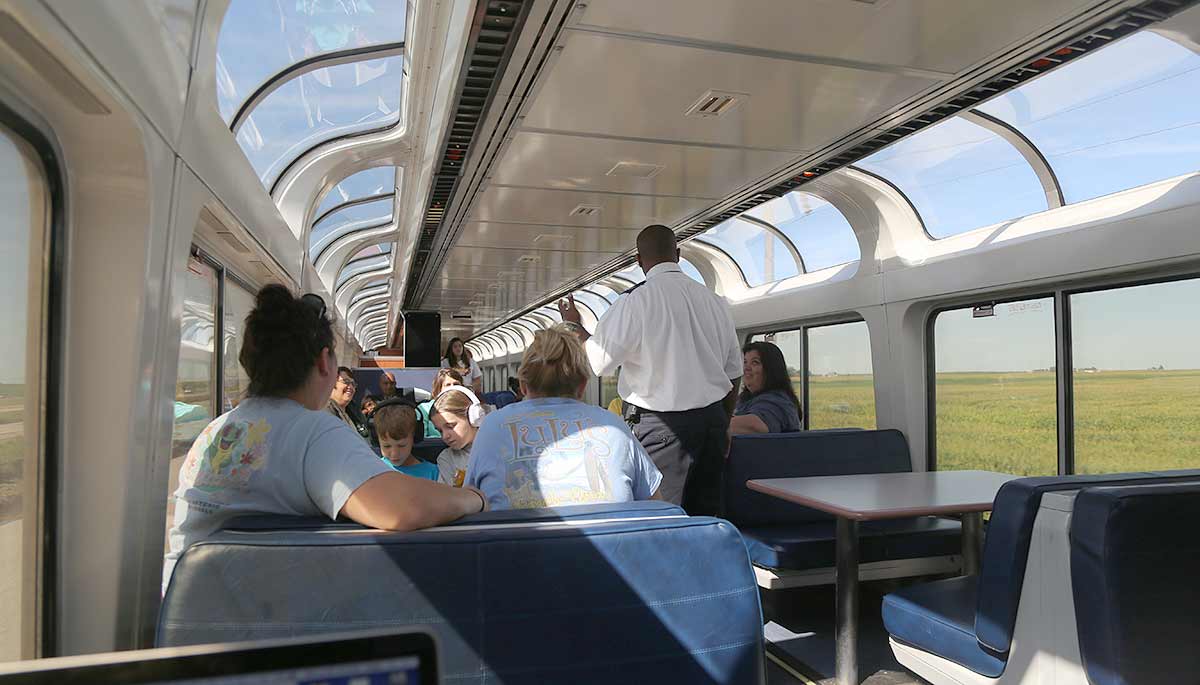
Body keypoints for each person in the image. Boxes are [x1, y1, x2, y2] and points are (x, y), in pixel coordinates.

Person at [163, 285, 485, 591]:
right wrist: (475, 498)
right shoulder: (312, 431)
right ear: (323, 361)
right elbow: (400, 509)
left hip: (186, 606)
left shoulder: (215, 431)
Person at [558, 224, 741, 515]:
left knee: (661, 517)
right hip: (713, 425)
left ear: (638, 261)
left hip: (662, 430)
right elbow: (734, 372)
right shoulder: (714, 301)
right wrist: (725, 421)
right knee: (706, 516)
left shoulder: (634, 302)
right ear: (678, 254)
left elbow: (598, 361)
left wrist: (573, 325)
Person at [467, 324, 662, 510]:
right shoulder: (614, 426)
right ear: (583, 386)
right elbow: (656, 507)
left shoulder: (492, 426)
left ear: (523, 385)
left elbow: (471, 500)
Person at [730, 342, 802, 434]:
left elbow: (755, 426)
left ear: (771, 370)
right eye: (745, 362)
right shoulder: (744, 399)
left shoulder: (777, 401)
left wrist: (712, 423)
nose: (746, 368)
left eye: (755, 363)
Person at [429, 386, 488, 487]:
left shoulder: (500, 447)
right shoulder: (446, 458)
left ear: (474, 417)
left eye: (450, 426)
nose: (445, 436)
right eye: (440, 431)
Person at [373, 401, 440, 481]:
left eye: (401, 445)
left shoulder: (433, 473)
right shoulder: (373, 469)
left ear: (415, 438)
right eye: (387, 446)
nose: (394, 454)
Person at [417, 368, 464, 439]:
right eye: (448, 385)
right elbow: (422, 439)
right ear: (439, 388)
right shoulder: (424, 409)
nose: (452, 388)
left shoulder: (468, 406)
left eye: (456, 384)